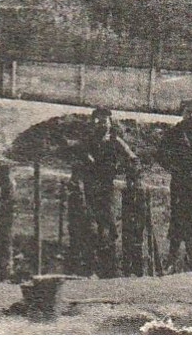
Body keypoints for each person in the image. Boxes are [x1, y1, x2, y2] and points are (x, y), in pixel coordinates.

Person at [72, 108, 139, 277]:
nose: (102, 124)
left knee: (108, 223)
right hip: (90, 187)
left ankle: (109, 266)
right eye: (98, 121)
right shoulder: (88, 141)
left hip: (107, 187)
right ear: (94, 123)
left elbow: (133, 159)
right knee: (90, 223)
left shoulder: (116, 141)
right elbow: (77, 161)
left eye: (105, 121)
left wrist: (122, 171)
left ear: (110, 123)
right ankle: (90, 266)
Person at [156, 100, 192, 270]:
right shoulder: (174, 133)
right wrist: (173, 168)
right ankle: (172, 257)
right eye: (189, 112)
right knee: (178, 215)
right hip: (180, 181)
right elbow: (160, 154)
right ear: (182, 113)